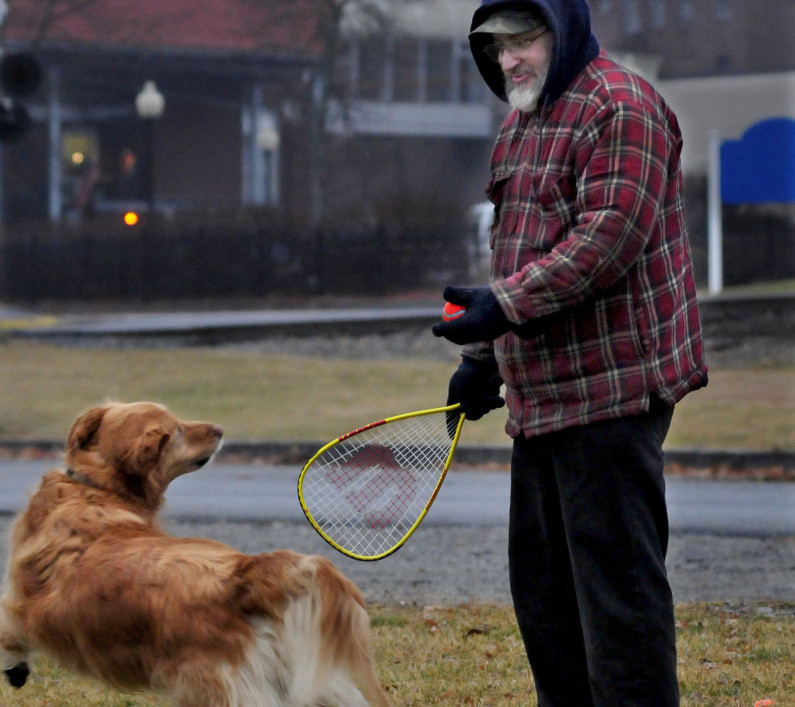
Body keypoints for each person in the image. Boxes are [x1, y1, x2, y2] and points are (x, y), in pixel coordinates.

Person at [432, 1, 709, 705]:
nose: (509, 59)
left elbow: (604, 242)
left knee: (618, 605)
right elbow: (517, 253)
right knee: (546, 602)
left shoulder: (622, 108)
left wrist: (503, 307)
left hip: (612, 395)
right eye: (496, 47)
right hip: (541, 403)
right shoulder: (520, 123)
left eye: (523, 40)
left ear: (566, 32)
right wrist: (486, 360)